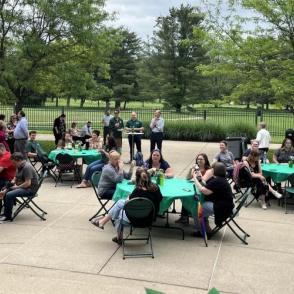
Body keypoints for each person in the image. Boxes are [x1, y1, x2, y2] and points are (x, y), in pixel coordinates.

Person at [91, 167, 163, 245]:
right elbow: (160, 199)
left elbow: (129, 204)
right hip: (150, 218)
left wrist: (129, 196)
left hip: (135, 219)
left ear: (137, 179)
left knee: (119, 211)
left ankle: (117, 235)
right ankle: (104, 221)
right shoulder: (156, 187)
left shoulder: (137, 191)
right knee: (119, 206)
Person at [192, 162, 235, 237]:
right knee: (203, 206)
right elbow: (208, 186)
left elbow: (204, 191)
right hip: (227, 205)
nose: (210, 170)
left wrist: (194, 177)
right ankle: (206, 229)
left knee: (196, 209)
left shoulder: (217, 181)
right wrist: (200, 178)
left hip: (222, 208)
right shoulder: (220, 179)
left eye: (212, 168)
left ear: (214, 171)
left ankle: (201, 231)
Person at [176, 153, 213, 225]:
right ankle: (184, 216)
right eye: (198, 159)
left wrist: (196, 174)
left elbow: (203, 181)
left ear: (205, 160)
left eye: (201, 159)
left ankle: (190, 214)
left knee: (189, 197)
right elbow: (187, 178)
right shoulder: (195, 168)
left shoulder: (209, 170)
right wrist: (191, 170)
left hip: (204, 190)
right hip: (196, 188)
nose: (199, 160)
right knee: (185, 195)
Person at [0, 152, 38, 222]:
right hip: (23, 186)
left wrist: (16, 187)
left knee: (9, 194)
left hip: (30, 189)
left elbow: (28, 183)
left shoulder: (27, 167)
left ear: (19, 160)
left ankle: (8, 216)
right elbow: (15, 178)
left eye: (14, 163)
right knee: (4, 190)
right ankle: (6, 213)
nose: (13, 165)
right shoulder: (19, 166)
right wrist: (7, 188)